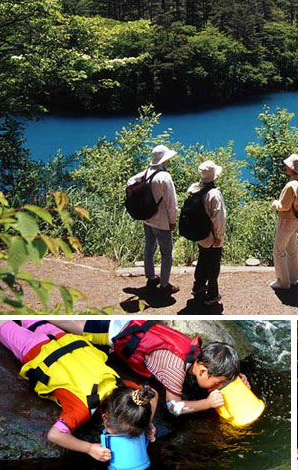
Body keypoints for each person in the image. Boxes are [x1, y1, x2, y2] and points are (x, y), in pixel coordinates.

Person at [0, 320, 158, 462]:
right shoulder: (81, 408)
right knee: (2, 324)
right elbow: (54, 435)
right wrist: (89, 448)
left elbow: (153, 393)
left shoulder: (124, 388)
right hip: (32, 349)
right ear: (104, 418)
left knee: (31, 319)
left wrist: (146, 422)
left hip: (63, 339)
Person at [47, 320, 249, 418]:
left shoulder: (194, 350)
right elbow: (174, 407)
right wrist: (207, 403)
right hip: (112, 332)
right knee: (64, 321)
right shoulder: (175, 370)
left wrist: (234, 378)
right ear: (203, 372)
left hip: (130, 325)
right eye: (220, 382)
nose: (219, 387)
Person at [127, 144, 179, 296]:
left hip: (147, 218)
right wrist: (173, 220)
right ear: (164, 160)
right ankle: (164, 285)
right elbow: (171, 203)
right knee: (166, 253)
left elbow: (130, 181)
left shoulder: (146, 173)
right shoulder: (164, 177)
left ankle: (151, 278)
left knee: (149, 248)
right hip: (161, 221)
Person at [187, 160, 226, 305]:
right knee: (213, 265)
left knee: (203, 260)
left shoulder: (194, 190)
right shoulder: (214, 194)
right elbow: (219, 218)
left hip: (200, 234)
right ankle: (212, 294)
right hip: (212, 236)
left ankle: (198, 287)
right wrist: (219, 237)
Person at [270, 153, 298, 290]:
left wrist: (275, 204)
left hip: (287, 221)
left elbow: (283, 206)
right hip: (297, 220)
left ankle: (283, 282)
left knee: (279, 250)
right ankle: (293, 278)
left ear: (291, 168)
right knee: (291, 249)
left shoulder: (291, 185)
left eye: (287, 166)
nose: (285, 167)